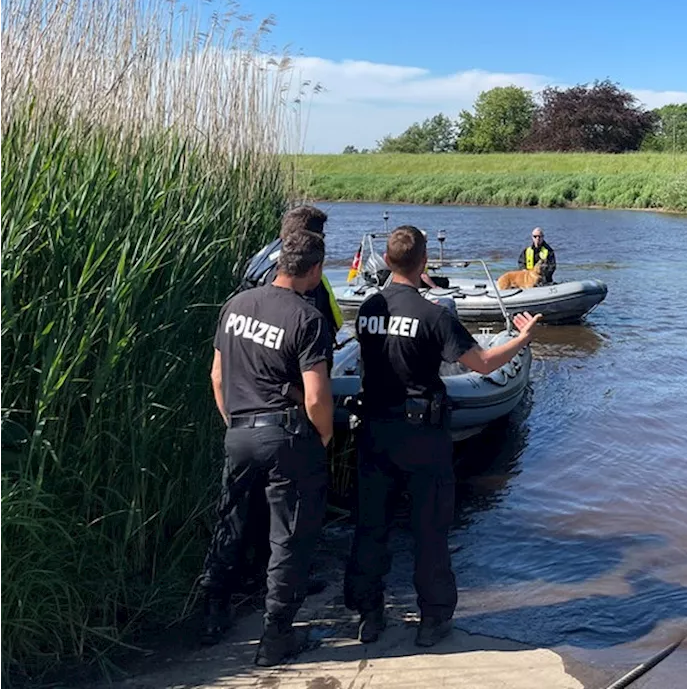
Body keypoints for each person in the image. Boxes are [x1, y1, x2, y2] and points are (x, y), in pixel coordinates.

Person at [343, 225, 540, 647]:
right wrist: (522, 338)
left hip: (376, 432)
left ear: (389, 262)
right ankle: (432, 620)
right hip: (421, 435)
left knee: (372, 525)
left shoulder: (367, 310)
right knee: (430, 529)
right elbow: (484, 363)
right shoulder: (433, 315)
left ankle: (369, 615)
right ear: (424, 262)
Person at [199, 230, 335, 667]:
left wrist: (234, 422)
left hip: (238, 432)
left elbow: (217, 376)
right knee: (288, 536)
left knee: (231, 522)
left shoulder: (235, 305)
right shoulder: (307, 317)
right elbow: (315, 396)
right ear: (313, 270)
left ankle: (210, 615)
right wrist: (324, 436)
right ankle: (276, 637)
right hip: (286, 435)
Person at [240, 204, 344, 339]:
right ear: (308, 238)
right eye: (322, 236)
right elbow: (306, 322)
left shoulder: (264, 256)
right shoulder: (299, 269)